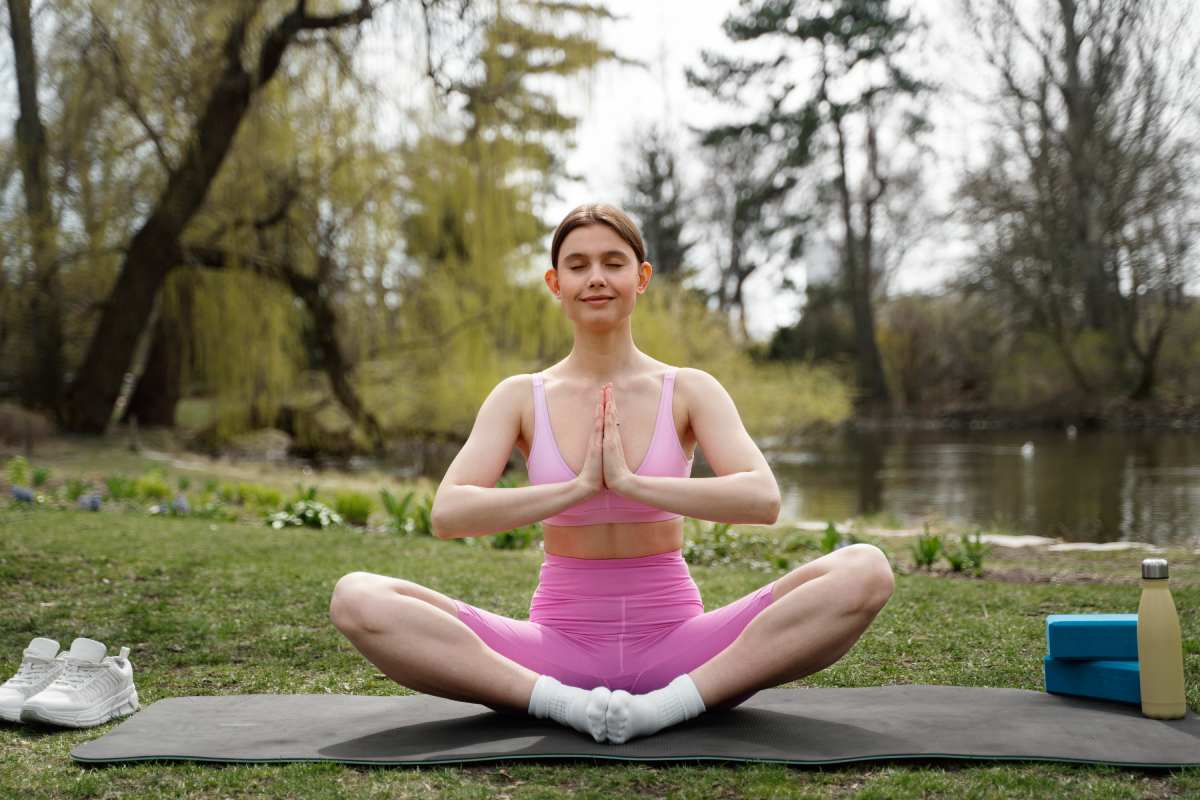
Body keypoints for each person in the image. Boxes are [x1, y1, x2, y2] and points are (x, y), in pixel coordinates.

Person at [329, 203, 894, 744]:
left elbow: (763, 498)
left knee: (865, 569)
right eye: (577, 265)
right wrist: (574, 489)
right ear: (555, 283)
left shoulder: (689, 388)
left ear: (641, 277)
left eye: (613, 262)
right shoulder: (520, 397)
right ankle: (561, 705)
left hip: (680, 645)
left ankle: (667, 707)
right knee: (355, 597)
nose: (595, 277)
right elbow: (449, 513)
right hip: (555, 649)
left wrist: (631, 483)